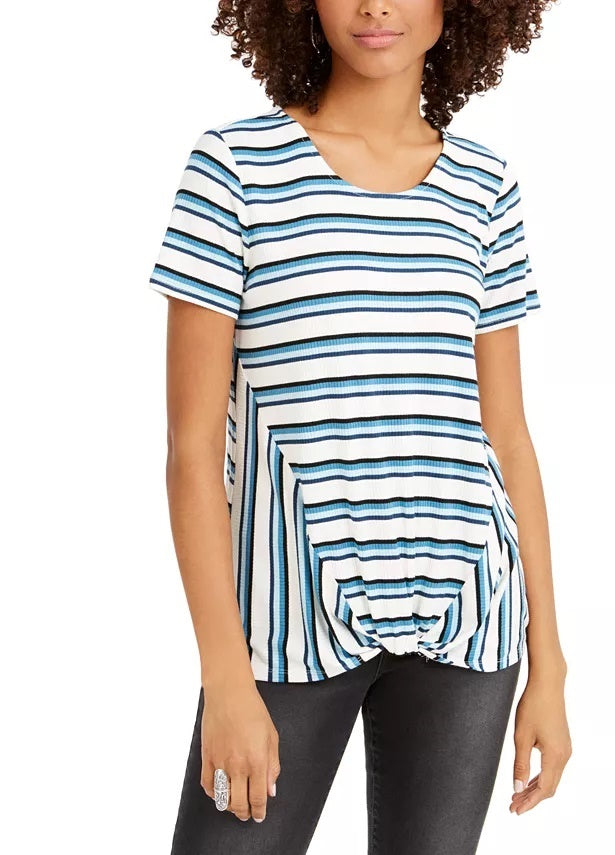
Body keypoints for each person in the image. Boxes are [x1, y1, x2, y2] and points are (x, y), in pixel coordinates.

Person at [148, 1, 571, 852]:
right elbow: (190, 450)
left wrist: (549, 661)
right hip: (284, 626)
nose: (376, 5)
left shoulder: (485, 187)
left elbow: (507, 435)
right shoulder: (235, 169)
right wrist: (224, 675)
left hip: (469, 619)